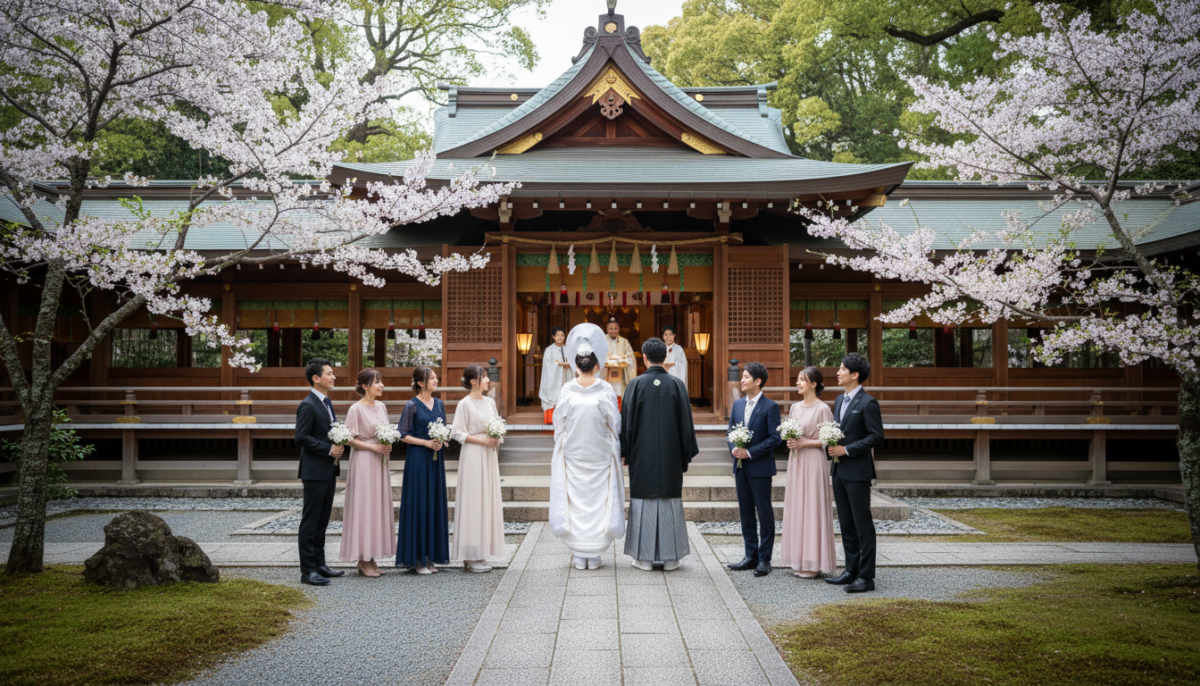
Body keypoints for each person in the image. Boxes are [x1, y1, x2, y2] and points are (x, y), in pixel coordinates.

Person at [549, 324, 624, 570]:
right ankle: (591, 552)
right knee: (599, 501)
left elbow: (559, 423)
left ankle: (581, 553)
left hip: (574, 453)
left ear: (575, 364)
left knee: (576, 500)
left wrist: (562, 442)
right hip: (599, 451)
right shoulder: (605, 390)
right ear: (596, 365)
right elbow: (615, 423)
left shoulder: (568, 390)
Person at [620, 337, 698, 571]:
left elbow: (627, 424)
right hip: (671, 455)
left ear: (643, 358)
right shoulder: (676, 385)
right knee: (669, 501)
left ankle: (643, 558)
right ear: (666, 357)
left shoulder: (634, 385)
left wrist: (625, 452)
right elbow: (686, 425)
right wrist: (686, 455)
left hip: (641, 455)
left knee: (643, 500)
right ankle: (671, 558)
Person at [825, 352, 884, 593]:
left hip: (858, 471)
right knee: (847, 524)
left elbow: (876, 436)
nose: (837, 373)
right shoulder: (839, 400)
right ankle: (851, 570)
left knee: (862, 525)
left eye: (841, 369)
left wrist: (847, 449)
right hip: (838, 471)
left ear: (855, 374)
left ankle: (866, 577)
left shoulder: (868, 402)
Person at [779, 367, 837, 578]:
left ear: (814, 384)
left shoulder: (823, 409)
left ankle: (814, 562)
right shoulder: (794, 407)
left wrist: (806, 442)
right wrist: (791, 441)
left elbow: (829, 439)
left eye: (802, 380)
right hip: (796, 460)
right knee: (797, 506)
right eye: (798, 379)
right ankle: (798, 559)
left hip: (813, 461)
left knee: (812, 507)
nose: (797, 383)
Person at [338, 368, 396, 578]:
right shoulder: (356, 409)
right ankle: (363, 560)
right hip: (363, 461)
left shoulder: (382, 406)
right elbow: (348, 438)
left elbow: (386, 430)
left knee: (376, 506)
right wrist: (373, 447)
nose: (382, 386)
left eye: (381, 382)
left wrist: (387, 444)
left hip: (380, 461)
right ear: (365, 386)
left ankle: (372, 557)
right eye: (377, 382)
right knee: (364, 507)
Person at [726, 362, 782, 578]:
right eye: (743, 376)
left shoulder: (770, 406)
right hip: (740, 467)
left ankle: (764, 559)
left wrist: (749, 452)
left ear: (758, 381)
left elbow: (774, 438)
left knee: (764, 513)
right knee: (746, 512)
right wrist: (734, 449)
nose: (742, 380)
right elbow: (730, 430)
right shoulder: (737, 405)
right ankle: (750, 556)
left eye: (746, 377)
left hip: (760, 467)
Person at [294, 358, 346, 586]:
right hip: (314, 471)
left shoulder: (326, 402)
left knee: (322, 521)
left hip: (328, 470)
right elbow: (301, 437)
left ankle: (320, 564)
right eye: (329, 374)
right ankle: (308, 572)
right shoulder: (307, 404)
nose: (333, 377)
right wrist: (329, 449)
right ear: (316, 378)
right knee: (310, 522)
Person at [450, 364, 504, 572]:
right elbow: (457, 433)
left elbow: (496, 423)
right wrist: (483, 442)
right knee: (473, 501)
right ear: (473, 381)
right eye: (484, 377)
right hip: (473, 454)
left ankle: (481, 552)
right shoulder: (464, 404)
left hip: (489, 455)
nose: (488, 380)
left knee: (486, 501)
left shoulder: (490, 402)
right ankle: (470, 555)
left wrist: (497, 436)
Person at [396, 366, 450, 574]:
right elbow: (403, 434)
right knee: (419, 503)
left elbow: (444, 429)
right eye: (432, 378)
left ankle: (430, 557)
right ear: (420, 383)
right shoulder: (412, 405)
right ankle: (417, 559)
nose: (436, 381)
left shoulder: (440, 404)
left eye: (436, 377)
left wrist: (442, 440)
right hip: (418, 458)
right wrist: (426, 443)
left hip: (436, 458)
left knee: (434, 502)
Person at [539, 326, 570, 425]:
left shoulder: (566, 349)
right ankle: (550, 419)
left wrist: (567, 364)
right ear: (553, 337)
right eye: (558, 335)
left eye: (562, 335)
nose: (560, 338)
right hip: (553, 380)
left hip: (563, 378)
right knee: (553, 395)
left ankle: (563, 418)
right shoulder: (549, 350)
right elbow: (547, 366)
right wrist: (558, 364)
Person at [602, 316, 636, 401]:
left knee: (621, 397)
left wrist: (622, 359)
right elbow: (599, 356)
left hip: (621, 375)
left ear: (619, 329)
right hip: (606, 374)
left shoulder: (624, 342)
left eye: (615, 328)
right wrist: (610, 359)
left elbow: (631, 357)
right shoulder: (602, 340)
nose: (613, 331)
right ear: (606, 328)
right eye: (611, 329)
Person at [662, 325, 688, 391]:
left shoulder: (679, 349)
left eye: (670, 334)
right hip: (662, 378)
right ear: (663, 336)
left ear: (674, 335)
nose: (668, 337)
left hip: (674, 380)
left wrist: (673, 365)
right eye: (666, 335)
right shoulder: (660, 348)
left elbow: (683, 365)